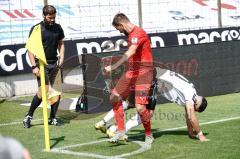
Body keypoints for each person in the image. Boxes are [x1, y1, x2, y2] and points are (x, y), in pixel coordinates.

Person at [95, 68, 209, 142]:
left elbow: (188, 114)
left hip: (149, 74)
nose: (193, 111)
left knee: (129, 104)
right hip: (151, 79)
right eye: (195, 110)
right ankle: (118, 130)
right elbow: (191, 117)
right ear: (196, 105)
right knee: (147, 113)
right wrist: (200, 134)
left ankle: (105, 123)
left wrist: (190, 132)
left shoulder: (192, 91)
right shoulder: (190, 96)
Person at [104, 13, 154, 144]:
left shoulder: (138, 33)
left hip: (144, 73)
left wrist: (114, 66)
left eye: (118, 29)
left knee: (140, 108)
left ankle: (149, 134)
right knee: (114, 96)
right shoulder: (131, 35)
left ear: (121, 24)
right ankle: (121, 131)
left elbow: (131, 51)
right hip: (132, 72)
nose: (119, 32)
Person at [23, 5, 65, 128]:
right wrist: (33, 66)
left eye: (54, 17)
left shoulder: (58, 28)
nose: (52, 19)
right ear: (43, 15)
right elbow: (30, 49)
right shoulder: (36, 29)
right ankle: (28, 116)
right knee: (43, 92)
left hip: (55, 64)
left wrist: (61, 56)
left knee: (56, 93)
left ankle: (53, 117)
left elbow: (61, 43)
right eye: (50, 17)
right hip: (42, 65)